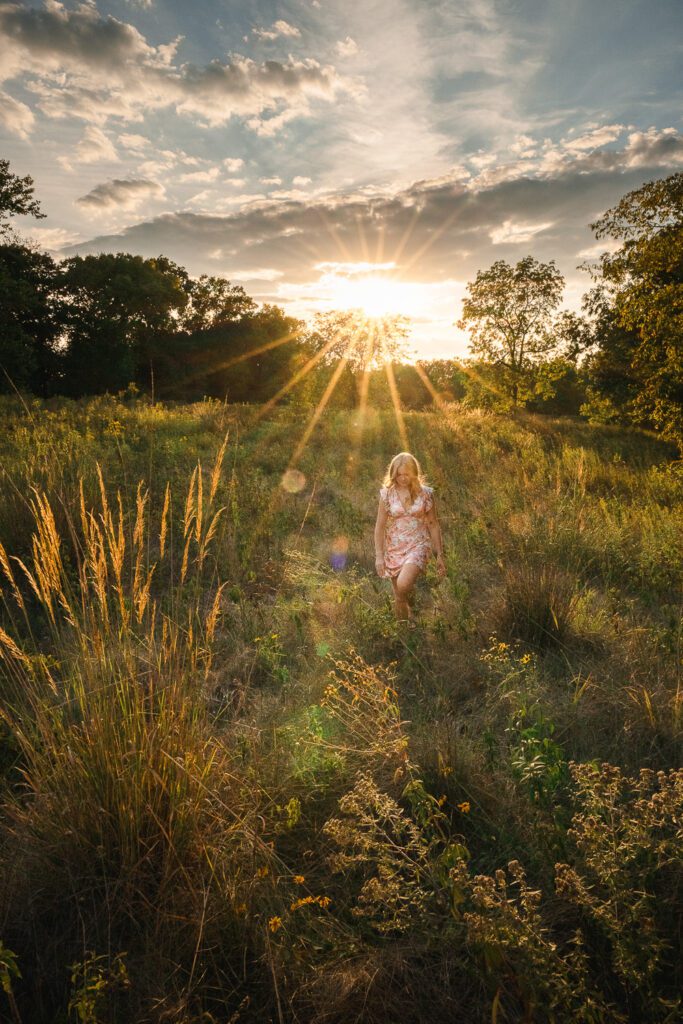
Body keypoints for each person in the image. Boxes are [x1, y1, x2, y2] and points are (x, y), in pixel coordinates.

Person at [374, 451, 446, 620]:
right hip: (394, 548)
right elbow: (380, 526)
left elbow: (433, 524)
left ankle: (415, 607)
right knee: (399, 597)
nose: (403, 478)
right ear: (393, 474)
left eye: (407, 474)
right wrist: (379, 555)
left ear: (414, 473)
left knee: (403, 583)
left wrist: (439, 555)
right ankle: (406, 629)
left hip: (418, 544)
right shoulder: (387, 494)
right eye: (399, 474)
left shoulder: (426, 493)